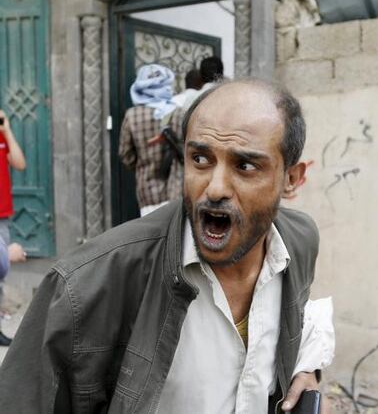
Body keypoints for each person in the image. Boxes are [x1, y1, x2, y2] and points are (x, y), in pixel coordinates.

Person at [0, 80, 333, 413]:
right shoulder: (85, 284)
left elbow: (303, 311)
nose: (215, 188)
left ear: (292, 179)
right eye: (201, 159)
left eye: (245, 166)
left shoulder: (297, 241)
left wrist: (307, 367)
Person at [119, 64, 184, 216]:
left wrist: (143, 164)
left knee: (152, 237)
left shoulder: (132, 116)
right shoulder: (179, 112)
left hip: (147, 191)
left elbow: (125, 154)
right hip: (179, 189)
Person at [0, 108, 25, 346]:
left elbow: (19, 163)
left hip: (2, 214)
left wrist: (7, 131)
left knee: (0, 273)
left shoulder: (2, 137)